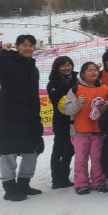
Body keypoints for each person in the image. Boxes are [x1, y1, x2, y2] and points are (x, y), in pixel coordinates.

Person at [0, 36, 45, 201]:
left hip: (30, 117)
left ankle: (24, 184)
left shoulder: (33, 68)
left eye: (31, 45)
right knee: (9, 152)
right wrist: (3, 54)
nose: (27, 48)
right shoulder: (8, 61)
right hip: (10, 116)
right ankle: (9, 187)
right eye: (24, 45)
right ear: (17, 47)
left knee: (31, 151)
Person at [62, 62, 108, 194]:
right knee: (81, 158)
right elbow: (66, 109)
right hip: (80, 131)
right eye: (89, 70)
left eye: (95, 69)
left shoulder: (106, 89)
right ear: (82, 74)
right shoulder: (75, 90)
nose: (93, 72)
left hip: (99, 130)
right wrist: (78, 103)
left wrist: (105, 107)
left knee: (97, 158)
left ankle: (98, 181)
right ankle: (81, 183)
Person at [46, 56, 77, 189]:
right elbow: (56, 100)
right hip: (60, 121)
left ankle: (64, 176)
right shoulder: (52, 83)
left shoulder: (77, 80)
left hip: (74, 121)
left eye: (69, 65)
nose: (66, 68)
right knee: (59, 149)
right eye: (63, 65)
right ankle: (56, 179)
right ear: (57, 68)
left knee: (70, 150)